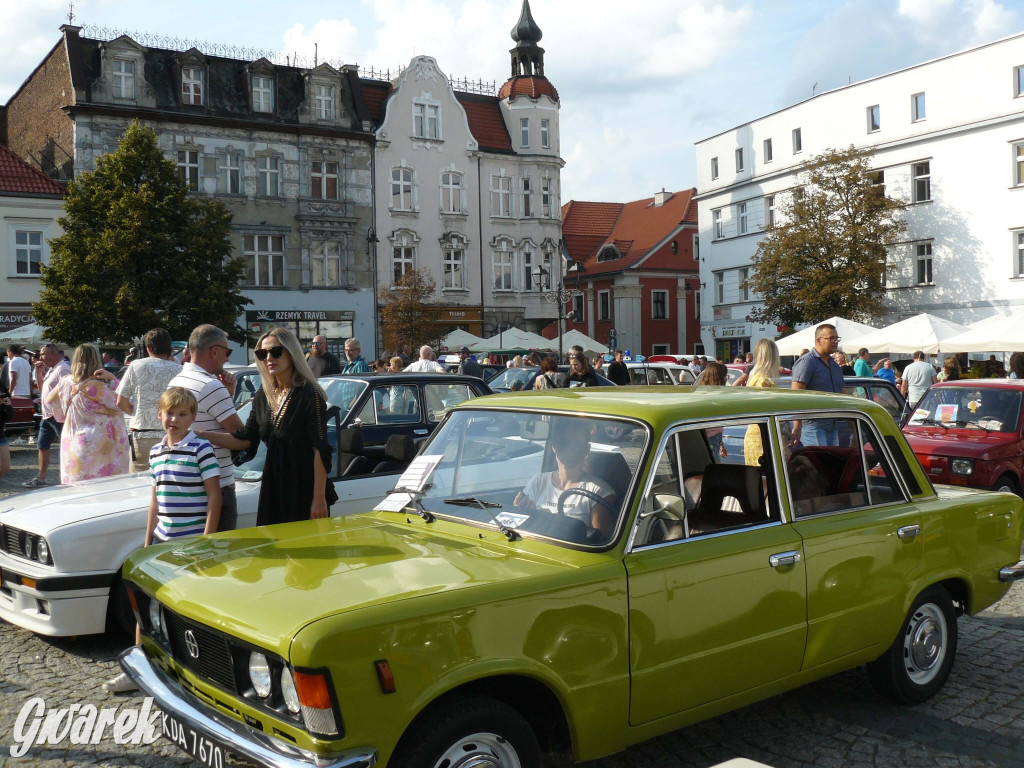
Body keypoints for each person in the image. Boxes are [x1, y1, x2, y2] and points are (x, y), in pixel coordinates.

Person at [102, 385, 222, 695]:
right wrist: (147, 544)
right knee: (147, 603)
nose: (175, 419)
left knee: (189, 608)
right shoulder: (156, 452)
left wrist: (206, 541)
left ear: (193, 417)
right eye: (170, 413)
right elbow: (155, 502)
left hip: (192, 542)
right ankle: (138, 669)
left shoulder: (200, 449)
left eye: (182, 414)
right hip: (162, 540)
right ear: (159, 415)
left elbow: (214, 497)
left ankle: (197, 675)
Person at [199, 327, 332, 527]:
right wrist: (198, 434)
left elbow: (319, 449)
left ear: (291, 352)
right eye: (262, 354)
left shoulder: (308, 393)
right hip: (273, 482)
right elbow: (245, 438)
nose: (269, 358)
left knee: (304, 552)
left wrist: (319, 498)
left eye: (276, 351)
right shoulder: (265, 394)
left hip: (304, 485)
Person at [167, 325, 244, 531]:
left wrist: (228, 395)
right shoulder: (210, 386)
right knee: (218, 556)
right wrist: (200, 435)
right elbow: (242, 438)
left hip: (184, 480)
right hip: (217, 483)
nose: (227, 359)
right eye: (227, 352)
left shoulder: (176, 381)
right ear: (215, 351)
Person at [513, 419, 614, 536]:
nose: (569, 450)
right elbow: (520, 528)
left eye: (576, 444)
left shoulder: (599, 492)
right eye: (564, 443)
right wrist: (519, 511)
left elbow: (598, 544)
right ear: (554, 446)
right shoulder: (538, 481)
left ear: (586, 449)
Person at [51, 343, 129, 483]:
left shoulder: (66, 382)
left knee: (78, 488)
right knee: (104, 489)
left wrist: (65, 412)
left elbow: (49, 399)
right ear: (96, 360)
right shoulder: (98, 387)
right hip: (101, 447)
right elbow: (122, 404)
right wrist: (113, 378)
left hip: (73, 441)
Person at [115, 328, 182, 473]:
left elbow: (121, 401)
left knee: (139, 485)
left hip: (142, 435)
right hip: (172, 435)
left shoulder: (135, 366)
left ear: (148, 348)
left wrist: (137, 412)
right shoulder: (179, 370)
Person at [22, 343, 71, 487]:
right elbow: (45, 390)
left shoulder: (63, 369)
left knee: (67, 446)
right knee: (42, 445)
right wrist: (38, 373)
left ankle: (69, 476)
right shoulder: (52, 369)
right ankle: (41, 478)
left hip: (58, 416)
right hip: (47, 415)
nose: (40, 356)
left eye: (43, 354)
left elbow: (66, 393)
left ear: (53, 355)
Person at [790, 323, 845, 446]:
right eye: (831, 338)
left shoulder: (835, 366)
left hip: (832, 427)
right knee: (817, 463)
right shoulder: (807, 362)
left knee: (829, 464)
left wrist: (853, 428)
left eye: (837, 338)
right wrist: (797, 425)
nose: (835, 341)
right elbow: (795, 396)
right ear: (819, 340)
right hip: (813, 427)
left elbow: (844, 398)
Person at [743, 339, 780, 467]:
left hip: (755, 432)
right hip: (764, 434)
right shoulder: (764, 381)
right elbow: (770, 412)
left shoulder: (754, 377)